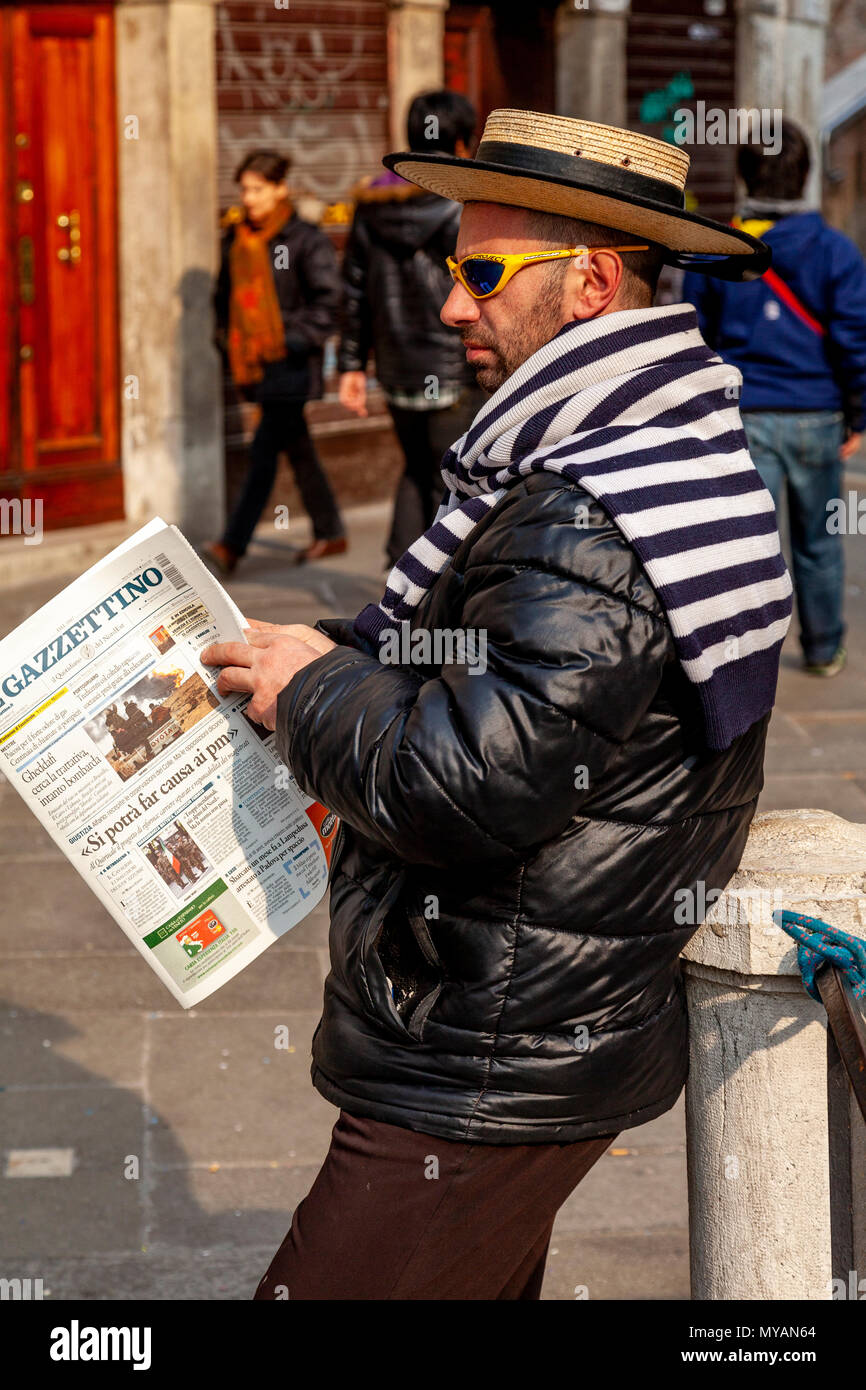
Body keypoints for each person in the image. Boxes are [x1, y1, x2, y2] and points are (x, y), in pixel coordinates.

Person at [201, 110, 791, 1300]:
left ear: (589, 282)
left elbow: (474, 777)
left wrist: (312, 686)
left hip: (494, 1047)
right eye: (448, 271)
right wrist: (340, 660)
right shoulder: (643, 442)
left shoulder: (588, 495)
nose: (453, 306)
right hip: (514, 1016)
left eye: (479, 273)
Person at [683, 120, 866, 677]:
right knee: (819, 543)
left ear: (743, 172)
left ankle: (743, 655)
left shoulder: (720, 250)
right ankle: (822, 647)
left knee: (745, 544)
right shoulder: (836, 251)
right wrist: (858, 416)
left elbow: (697, 338)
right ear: (807, 175)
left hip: (744, 416)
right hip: (818, 416)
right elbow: (855, 340)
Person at [338, 90, 487, 566]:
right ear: (462, 141)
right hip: (453, 361)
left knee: (418, 465)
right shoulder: (463, 201)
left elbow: (354, 289)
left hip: (397, 366)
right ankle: (430, 583)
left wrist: (351, 366)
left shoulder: (371, 202)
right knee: (450, 478)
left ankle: (400, 576)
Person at [203, 150, 345, 576]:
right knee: (297, 448)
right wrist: (227, 342)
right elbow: (222, 298)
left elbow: (329, 304)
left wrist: (285, 339)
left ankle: (232, 545)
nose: (248, 198)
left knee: (263, 452)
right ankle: (331, 530)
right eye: (244, 189)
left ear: (281, 188)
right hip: (253, 363)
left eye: (257, 189)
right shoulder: (237, 239)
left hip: (290, 363)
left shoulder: (304, 240)